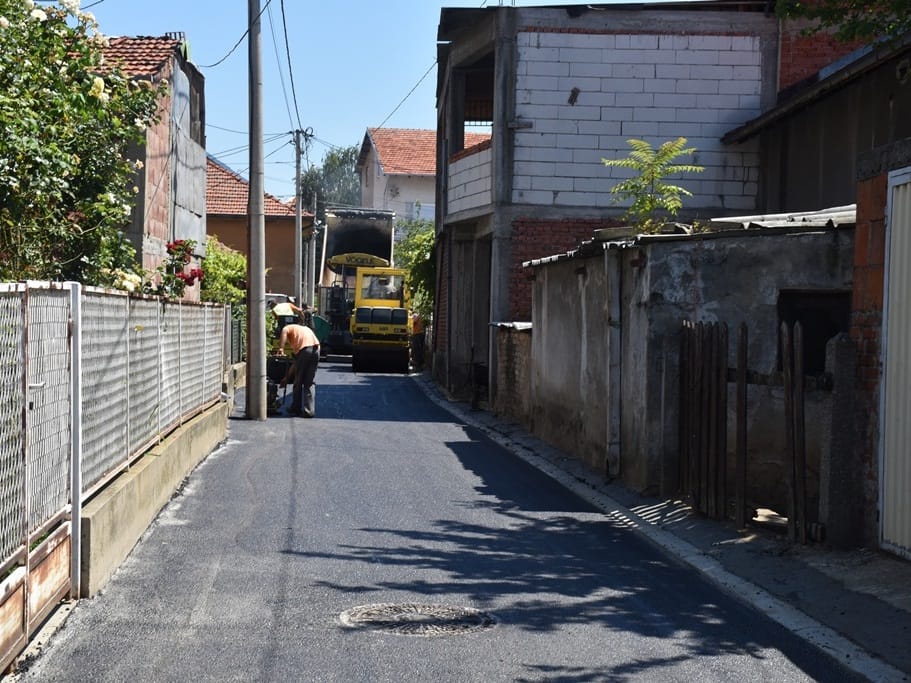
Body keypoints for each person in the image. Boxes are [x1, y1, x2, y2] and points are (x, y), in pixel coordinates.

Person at [277, 323, 320, 417]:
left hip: (305, 350)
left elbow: (284, 331)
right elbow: (296, 363)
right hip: (316, 350)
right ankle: (309, 411)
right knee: (309, 382)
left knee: (298, 381)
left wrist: (281, 348)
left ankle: (295, 408)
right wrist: (286, 378)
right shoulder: (303, 330)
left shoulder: (287, 328)